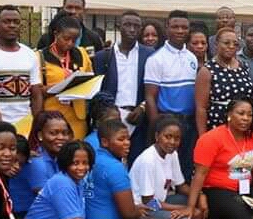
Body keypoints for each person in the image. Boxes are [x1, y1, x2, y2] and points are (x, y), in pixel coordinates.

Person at [86, 119, 172, 219]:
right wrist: (136, 211)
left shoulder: (94, 160)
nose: (127, 143)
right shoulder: (114, 167)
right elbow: (127, 214)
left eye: (127, 138)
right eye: (121, 139)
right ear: (104, 142)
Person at [181, 98, 253, 219]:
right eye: (241, 113)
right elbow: (200, 174)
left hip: (244, 187)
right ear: (229, 115)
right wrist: (191, 205)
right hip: (217, 189)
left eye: (249, 115)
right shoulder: (211, 138)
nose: (245, 118)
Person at [92, 11, 153, 165]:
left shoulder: (149, 55)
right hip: (112, 118)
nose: (132, 29)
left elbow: (155, 88)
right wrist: (109, 113)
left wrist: (143, 107)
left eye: (136, 26)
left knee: (137, 163)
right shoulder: (103, 57)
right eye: (127, 25)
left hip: (139, 118)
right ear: (119, 27)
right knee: (110, 164)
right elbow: (96, 90)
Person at [145, 10, 199, 180]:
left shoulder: (192, 57)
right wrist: (156, 128)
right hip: (167, 120)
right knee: (164, 168)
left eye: (184, 27)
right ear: (167, 27)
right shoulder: (156, 59)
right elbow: (150, 97)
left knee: (185, 165)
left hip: (189, 121)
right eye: (175, 27)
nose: (180, 31)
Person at [128, 115, 200, 219]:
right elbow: (149, 202)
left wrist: (200, 197)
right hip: (145, 208)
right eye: (168, 137)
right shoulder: (148, 160)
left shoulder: (172, 154)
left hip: (161, 201)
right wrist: (185, 209)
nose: (172, 142)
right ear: (157, 136)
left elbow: (181, 186)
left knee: (194, 201)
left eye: (177, 138)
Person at [0, 6, 44, 127]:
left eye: (16, 22)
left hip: (25, 124)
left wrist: (36, 123)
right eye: (6, 21)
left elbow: (36, 93)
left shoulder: (29, 54)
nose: (12, 25)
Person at [37, 12, 93, 139]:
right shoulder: (40, 57)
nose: (70, 44)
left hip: (77, 117)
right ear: (56, 34)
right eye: (66, 39)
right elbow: (37, 90)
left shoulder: (82, 54)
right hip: (52, 117)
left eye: (74, 40)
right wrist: (63, 86)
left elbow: (89, 78)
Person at [195, 27, 253, 136]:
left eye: (235, 44)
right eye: (226, 43)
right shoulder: (207, 70)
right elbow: (201, 108)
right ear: (216, 44)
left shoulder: (243, 66)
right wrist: (202, 136)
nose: (231, 47)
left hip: (243, 125)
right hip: (219, 124)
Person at [23, 112, 72, 218]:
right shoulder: (36, 162)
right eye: (53, 133)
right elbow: (51, 199)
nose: (61, 137)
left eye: (65, 133)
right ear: (40, 135)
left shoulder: (57, 157)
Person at [35, 0, 105, 55]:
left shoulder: (94, 39)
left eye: (77, 8)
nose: (73, 11)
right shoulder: (46, 39)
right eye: (69, 7)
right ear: (63, 9)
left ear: (83, 11)